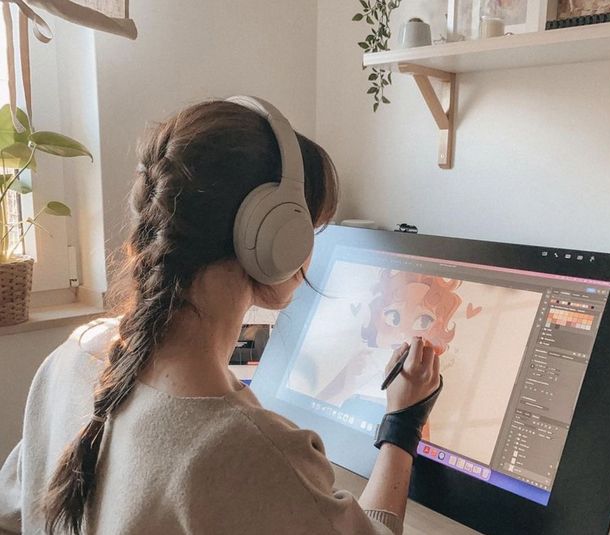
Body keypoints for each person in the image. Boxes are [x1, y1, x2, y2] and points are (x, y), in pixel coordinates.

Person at [0, 98, 442, 534]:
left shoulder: (69, 358)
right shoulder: (250, 451)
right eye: (310, 228)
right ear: (275, 236)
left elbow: (12, 511)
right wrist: (402, 422)